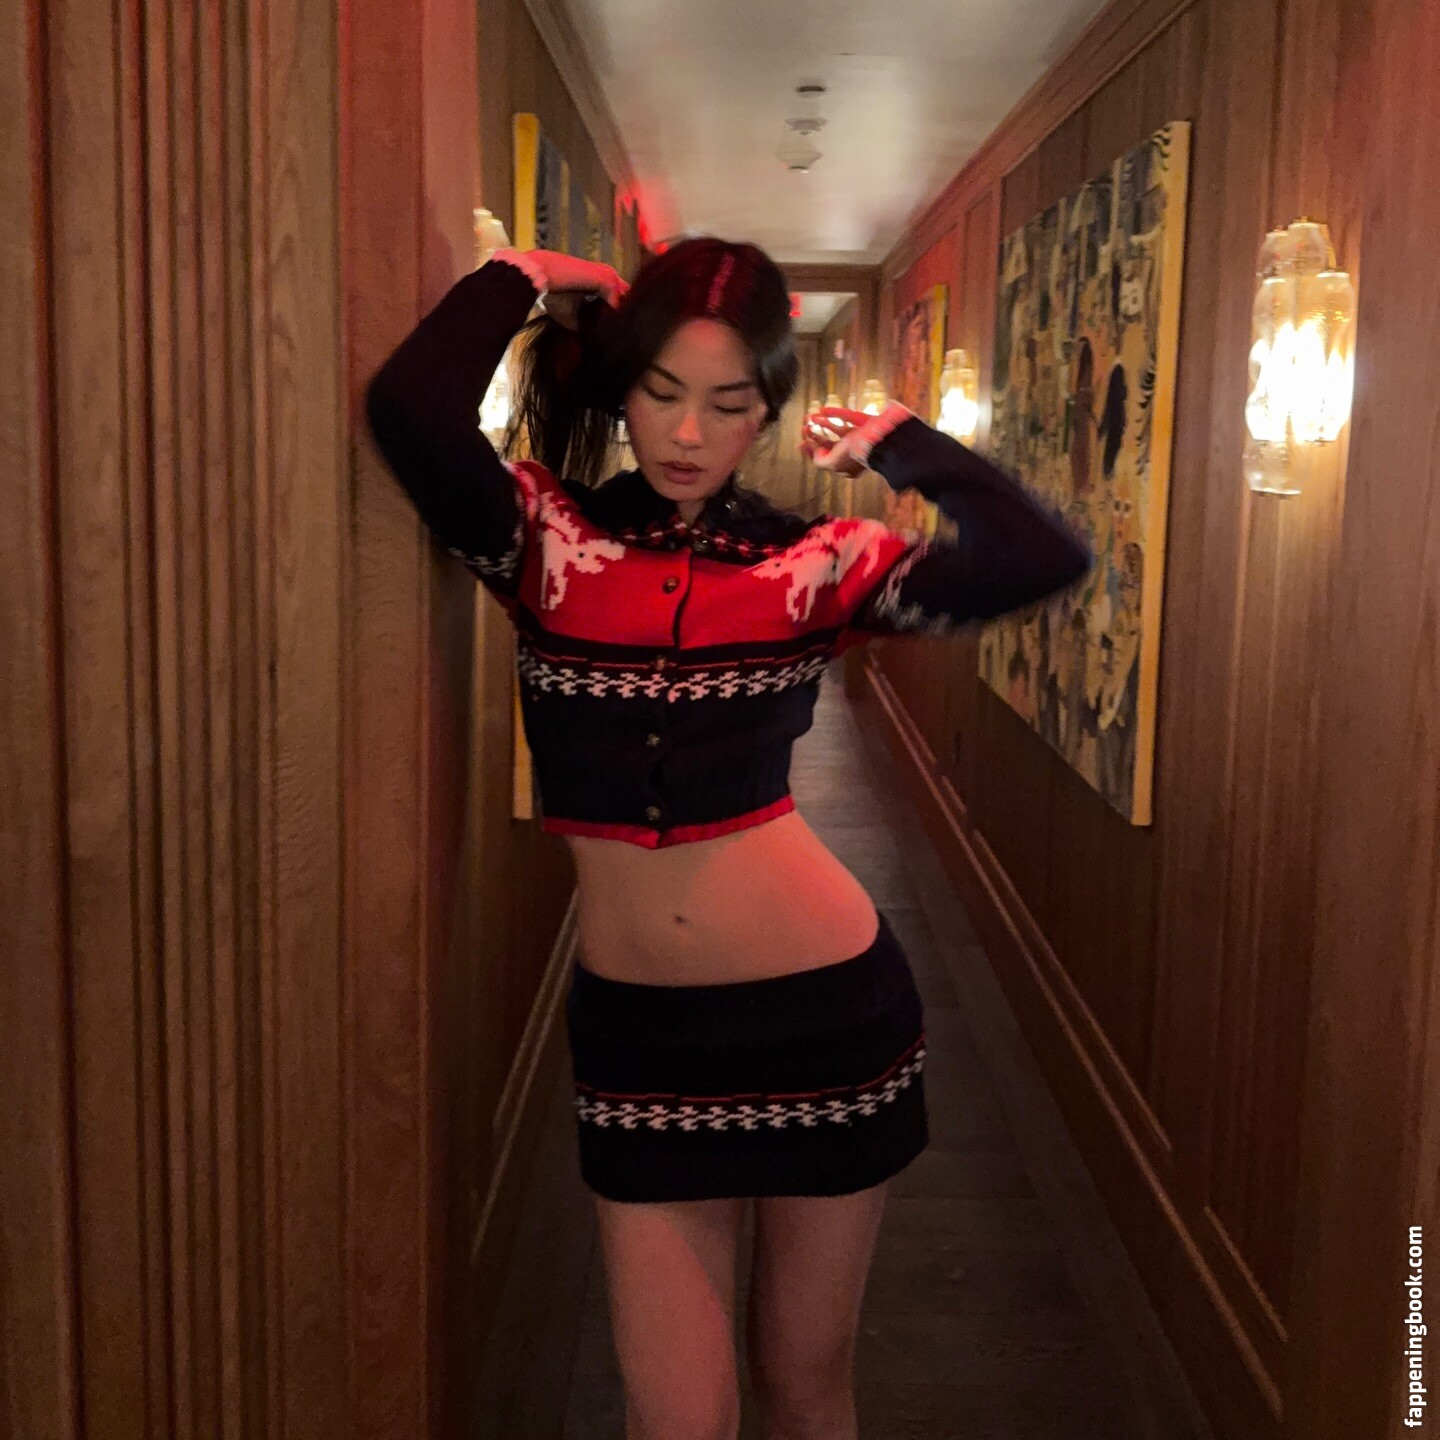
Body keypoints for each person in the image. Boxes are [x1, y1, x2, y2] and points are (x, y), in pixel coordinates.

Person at [366, 236, 1091, 1440]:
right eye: (662, 392)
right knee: (678, 1418)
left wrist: (900, 441)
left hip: (829, 1020)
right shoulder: (542, 537)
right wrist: (520, 274)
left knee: (804, 1384)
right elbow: (411, 410)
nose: (689, 433)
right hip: (637, 1038)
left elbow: (1039, 555)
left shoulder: (816, 565)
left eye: (728, 402)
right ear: (622, 389)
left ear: (766, 414)